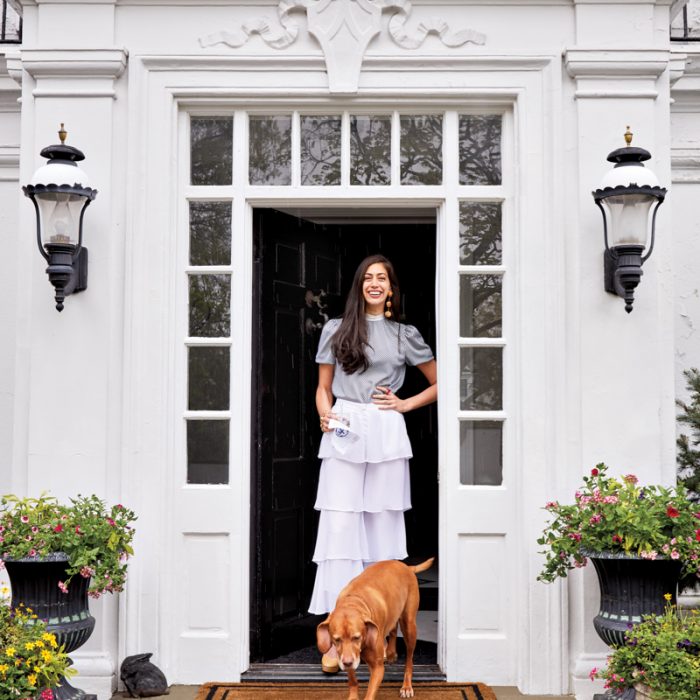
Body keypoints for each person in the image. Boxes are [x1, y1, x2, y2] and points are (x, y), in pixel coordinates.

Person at [309, 253, 438, 673]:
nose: (375, 283)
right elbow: (323, 388)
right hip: (345, 423)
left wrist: (405, 404)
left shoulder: (405, 334)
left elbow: (441, 382)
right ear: (359, 286)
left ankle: (382, 635)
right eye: (368, 277)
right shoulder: (336, 329)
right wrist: (324, 414)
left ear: (391, 287)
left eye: (382, 277)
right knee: (341, 524)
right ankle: (336, 641)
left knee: (382, 523)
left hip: (385, 426)